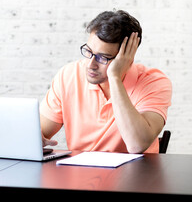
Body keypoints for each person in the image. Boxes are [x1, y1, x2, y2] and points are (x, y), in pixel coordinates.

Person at [40, 10, 172, 153]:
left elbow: (137, 144)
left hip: (135, 173)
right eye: (89, 52)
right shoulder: (68, 76)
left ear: (127, 58)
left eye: (103, 58)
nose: (91, 64)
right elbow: (39, 134)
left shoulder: (154, 82)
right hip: (80, 171)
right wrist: (36, 139)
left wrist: (115, 77)